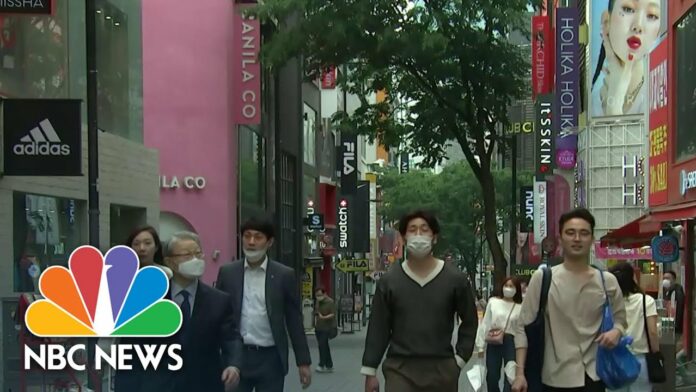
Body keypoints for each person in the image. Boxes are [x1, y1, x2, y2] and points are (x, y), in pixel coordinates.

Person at [512, 208, 627, 392]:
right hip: (555, 377)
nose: (577, 238)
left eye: (584, 233)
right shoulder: (543, 279)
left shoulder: (607, 281)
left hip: (594, 376)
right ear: (560, 238)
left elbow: (621, 319)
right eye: (570, 233)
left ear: (591, 239)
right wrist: (519, 373)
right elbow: (521, 326)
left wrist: (617, 331)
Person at [361, 210, 478, 392]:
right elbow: (378, 328)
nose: (418, 235)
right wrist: (370, 371)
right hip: (399, 370)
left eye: (424, 230)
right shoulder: (389, 281)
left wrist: (459, 360)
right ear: (403, 237)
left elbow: (470, 322)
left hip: (442, 370)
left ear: (435, 237)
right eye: (412, 230)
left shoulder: (456, 279)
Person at [216, 217, 312, 392]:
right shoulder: (228, 273)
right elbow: (220, 316)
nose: (251, 242)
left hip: (271, 358)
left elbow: (294, 320)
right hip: (237, 357)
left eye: (258, 237)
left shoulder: (284, 275)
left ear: (269, 242)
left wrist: (303, 362)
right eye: (247, 236)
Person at [139, 231, 243, 392]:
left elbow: (231, 337)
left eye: (198, 254)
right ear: (170, 262)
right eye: (187, 255)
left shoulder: (219, 300)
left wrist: (233, 365)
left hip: (204, 383)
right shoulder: (151, 299)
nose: (195, 259)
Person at [591, 0, 662, 116]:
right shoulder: (592, 100)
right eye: (628, 9)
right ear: (606, 22)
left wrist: (614, 108)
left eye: (652, 16)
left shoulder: (659, 96)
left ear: (658, 32)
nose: (638, 26)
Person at [609, 262, 660, 392]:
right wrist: (656, 353)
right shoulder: (646, 300)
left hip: (615, 359)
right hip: (640, 360)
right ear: (633, 278)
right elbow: (652, 332)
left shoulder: (608, 302)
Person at [476, 276, 523, 392]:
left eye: (511, 286)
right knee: (492, 376)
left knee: (510, 376)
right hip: (494, 340)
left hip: (511, 342)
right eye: (506, 285)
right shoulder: (493, 302)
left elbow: (521, 330)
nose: (508, 288)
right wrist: (480, 345)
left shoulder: (520, 307)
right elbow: (485, 323)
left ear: (516, 289)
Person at [314, 287, 337, 373]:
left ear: (324, 294)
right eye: (317, 295)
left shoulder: (330, 302)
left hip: (328, 327)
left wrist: (324, 317)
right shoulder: (318, 302)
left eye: (320, 295)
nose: (318, 297)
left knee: (322, 345)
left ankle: (321, 364)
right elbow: (316, 311)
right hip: (319, 327)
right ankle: (329, 365)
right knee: (324, 346)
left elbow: (333, 314)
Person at [663, 270, 685, 358]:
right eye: (664, 278)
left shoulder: (677, 292)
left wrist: (676, 326)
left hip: (676, 328)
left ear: (674, 280)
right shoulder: (669, 292)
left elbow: (679, 310)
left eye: (668, 278)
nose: (665, 280)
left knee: (674, 349)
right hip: (671, 325)